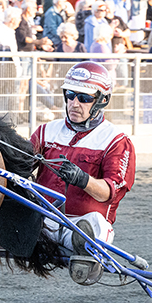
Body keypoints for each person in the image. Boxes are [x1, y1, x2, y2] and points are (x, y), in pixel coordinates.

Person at [30, 61, 136, 282]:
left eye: (84, 98)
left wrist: (82, 179)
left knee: (95, 224)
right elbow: (20, 166)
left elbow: (110, 193)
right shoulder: (45, 131)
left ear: (102, 100)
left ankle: (85, 246)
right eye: (70, 95)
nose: (74, 104)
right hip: (41, 221)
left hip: (82, 224)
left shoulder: (116, 140)